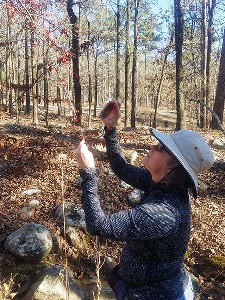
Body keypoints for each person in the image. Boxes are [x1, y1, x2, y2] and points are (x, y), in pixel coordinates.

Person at [75, 100, 214, 300]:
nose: (152, 145)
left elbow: (98, 225)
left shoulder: (164, 212)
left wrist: (88, 173)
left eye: (160, 146)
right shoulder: (160, 182)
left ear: (172, 167)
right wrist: (110, 128)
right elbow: (121, 167)